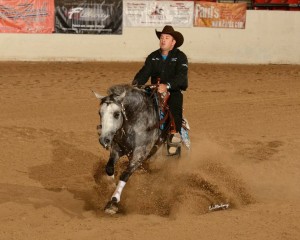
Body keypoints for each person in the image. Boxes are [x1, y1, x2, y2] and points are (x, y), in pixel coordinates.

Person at [132, 25, 188, 153]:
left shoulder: (180, 57)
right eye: (162, 37)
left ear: (173, 42)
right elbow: (143, 74)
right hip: (153, 91)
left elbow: (182, 78)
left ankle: (174, 134)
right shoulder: (153, 57)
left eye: (167, 38)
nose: (163, 40)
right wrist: (135, 85)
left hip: (172, 91)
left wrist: (167, 85)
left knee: (175, 102)